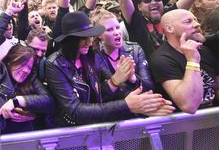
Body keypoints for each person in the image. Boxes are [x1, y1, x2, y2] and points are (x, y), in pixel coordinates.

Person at [45, 10, 174, 126]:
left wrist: (148, 104)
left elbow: (103, 96)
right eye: (83, 38)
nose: (89, 42)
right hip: (71, 133)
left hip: (96, 125)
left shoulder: (89, 56)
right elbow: (75, 110)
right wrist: (127, 105)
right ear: (70, 40)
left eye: (90, 37)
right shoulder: (55, 64)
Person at [0, 1, 55, 135]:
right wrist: (8, 13)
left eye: (29, 67)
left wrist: (19, 101)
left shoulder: (30, 78)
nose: (26, 70)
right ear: (11, 60)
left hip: (23, 137)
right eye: (22, 64)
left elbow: (49, 101)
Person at [149, 9, 219, 115]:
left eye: (196, 20)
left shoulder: (204, 50)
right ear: (169, 28)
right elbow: (189, 105)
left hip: (213, 120)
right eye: (188, 21)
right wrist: (192, 60)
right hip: (183, 127)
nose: (196, 24)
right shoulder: (162, 58)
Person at [90, 9, 154, 101]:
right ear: (98, 35)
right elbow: (95, 98)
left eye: (117, 27)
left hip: (141, 108)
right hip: (113, 112)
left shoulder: (135, 49)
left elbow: (149, 87)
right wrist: (114, 81)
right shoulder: (92, 57)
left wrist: (134, 79)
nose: (117, 32)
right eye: (109, 29)